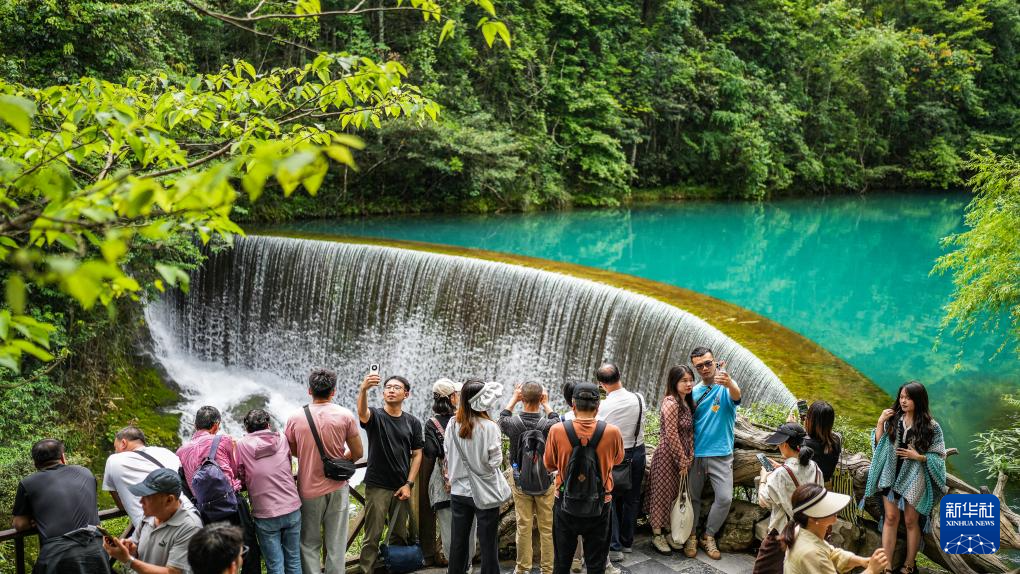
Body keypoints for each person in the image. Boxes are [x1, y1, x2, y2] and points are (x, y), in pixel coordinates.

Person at [284, 369, 364, 574]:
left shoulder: (295, 417)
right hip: (338, 487)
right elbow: (358, 452)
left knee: (308, 543)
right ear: (333, 391)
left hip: (308, 489)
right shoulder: (345, 415)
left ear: (310, 390)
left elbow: (292, 450)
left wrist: (309, 455)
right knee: (337, 543)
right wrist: (339, 462)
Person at [864, 381, 947, 574]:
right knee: (890, 518)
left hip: (914, 479)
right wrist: (880, 422)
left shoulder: (932, 427)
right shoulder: (893, 419)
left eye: (908, 398)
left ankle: (909, 565)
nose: (903, 401)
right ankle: (887, 566)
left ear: (918, 400)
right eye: (901, 397)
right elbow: (880, 445)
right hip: (890, 476)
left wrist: (919, 457)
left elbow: (939, 456)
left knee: (911, 521)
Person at [544, 383, 624, 574]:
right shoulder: (612, 432)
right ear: (598, 406)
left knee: (561, 563)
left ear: (573, 405)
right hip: (601, 504)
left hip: (565, 502)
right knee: (596, 565)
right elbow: (618, 460)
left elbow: (549, 465)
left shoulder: (557, 430)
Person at [177, 406, 260, 574]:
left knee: (216, 555)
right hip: (232, 504)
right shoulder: (223, 440)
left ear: (195, 425)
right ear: (216, 425)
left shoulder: (181, 451)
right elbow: (234, 471)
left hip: (205, 510)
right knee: (248, 548)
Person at [357, 372, 425, 574]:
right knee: (372, 535)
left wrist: (409, 484)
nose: (391, 391)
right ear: (383, 393)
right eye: (388, 387)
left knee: (399, 534)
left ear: (406, 394)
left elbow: (417, 454)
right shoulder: (375, 416)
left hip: (401, 486)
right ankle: (366, 570)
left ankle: (396, 569)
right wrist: (363, 390)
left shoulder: (412, 422)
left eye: (396, 388)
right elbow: (362, 413)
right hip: (377, 485)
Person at [13, 438, 110, 574]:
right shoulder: (85, 472)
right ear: (63, 457)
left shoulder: (27, 483)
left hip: (58, 556)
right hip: (97, 549)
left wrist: (37, 520)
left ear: (35, 463)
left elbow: (20, 524)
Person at [445, 379, 507, 574]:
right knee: (488, 542)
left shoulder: (452, 424)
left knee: (458, 541)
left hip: (458, 491)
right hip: (485, 491)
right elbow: (495, 462)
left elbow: (447, 453)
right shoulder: (490, 427)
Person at [499, 381, 559, 574]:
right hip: (545, 481)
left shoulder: (512, 424)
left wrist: (514, 398)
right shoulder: (550, 426)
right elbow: (557, 419)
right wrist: (546, 404)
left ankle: (522, 568)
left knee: (523, 526)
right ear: (541, 398)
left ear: (522, 398)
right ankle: (547, 569)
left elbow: (502, 418)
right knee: (546, 528)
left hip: (520, 481)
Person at [687, 346, 741, 560]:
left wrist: (729, 382)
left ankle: (708, 535)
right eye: (699, 366)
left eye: (708, 363)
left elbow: (737, 396)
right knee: (693, 497)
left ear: (715, 362)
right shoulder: (693, 392)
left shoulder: (725, 386)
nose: (704, 368)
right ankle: (691, 534)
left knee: (725, 498)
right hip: (696, 453)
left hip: (721, 453)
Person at [237, 409, 301, 574]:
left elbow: (241, 473)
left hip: (265, 513)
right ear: (268, 425)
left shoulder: (242, 444)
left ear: (247, 428)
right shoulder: (282, 438)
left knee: (275, 566)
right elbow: (288, 463)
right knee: (294, 560)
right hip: (291, 507)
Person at [103, 468, 204, 574]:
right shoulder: (149, 516)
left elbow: (173, 572)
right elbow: (136, 547)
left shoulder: (190, 527)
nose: (141, 501)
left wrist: (128, 560)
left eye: (147, 497)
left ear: (169, 500)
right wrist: (131, 550)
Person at [753, 422, 822, 574]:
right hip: (809, 531)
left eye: (779, 443)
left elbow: (763, 501)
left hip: (783, 532)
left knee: (762, 570)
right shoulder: (815, 467)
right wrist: (782, 468)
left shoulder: (780, 474)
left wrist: (764, 477)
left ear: (784, 444)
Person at [594, 363, 646, 563]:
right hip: (638, 453)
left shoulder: (604, 406)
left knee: (611, 498)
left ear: (601, 384)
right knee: (632, 499)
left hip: (616, 456)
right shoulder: (639, 398)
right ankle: (627, 542)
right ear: (619, 375)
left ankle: (615, 547)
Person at [424, 378, 476, 569]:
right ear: (453, 397)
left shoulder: (432, 423)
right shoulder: (469, 420)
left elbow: (430, 452)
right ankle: (468, 565)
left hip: (444, 486)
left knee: (448, 532)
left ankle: (453, 567)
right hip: (470, 484)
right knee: (470, 530)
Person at [103, 425, 196, 531]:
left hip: (156, 527)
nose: (116, 451)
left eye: (116, 447)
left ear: (123, 443)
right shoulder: (166, 452)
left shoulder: (114, 460)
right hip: (190, 514)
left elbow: (119, 502)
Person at [781, 484, 889, 574]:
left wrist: (862, 561)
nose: (834, 509)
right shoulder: (811, 553)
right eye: (826, 507)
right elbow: (819, 555)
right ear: (813, 518)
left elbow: (831, 554)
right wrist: (871, 570)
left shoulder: (803, 530)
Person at [646, 365, 696, 555]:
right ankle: (657, 534)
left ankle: (668, 530)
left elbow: (689, 433)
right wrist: (683, 460)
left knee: (674, 494)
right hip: (667, 457)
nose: (689, 384)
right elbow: (671, 434)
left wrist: (690, 455)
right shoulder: (670, 402)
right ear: (674, 382)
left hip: (682, 457)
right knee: (662, 494)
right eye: (684, 380)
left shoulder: (686, 402)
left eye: (691, 380)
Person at [789, 401, 842, 484]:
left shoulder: (804, 444)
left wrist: (791, 425)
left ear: (810, 420)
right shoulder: (837, 439)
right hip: (826, 485)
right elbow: (820, 436)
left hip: (807, 487)